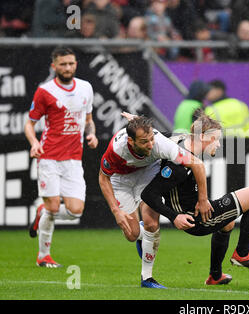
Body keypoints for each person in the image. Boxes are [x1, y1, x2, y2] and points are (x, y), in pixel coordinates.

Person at [140, 111, 249, 285]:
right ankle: (242, 253)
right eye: (215, 139)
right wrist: (174, 217)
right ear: (200, 137)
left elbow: (156, 134)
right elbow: (148, 194)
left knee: (228, 222)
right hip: (196, 220)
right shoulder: (180, 164)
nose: (218, 145)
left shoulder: (181, 139)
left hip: (197, 212)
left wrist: (137, 120)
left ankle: (215, 276)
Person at [98, 115, 213, 288]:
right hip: (121, 180)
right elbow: (103, 177)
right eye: (144, 142)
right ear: (131, 141)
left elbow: (197, 164)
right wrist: (116, 211)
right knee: (132, 234)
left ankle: (147, 278)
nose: (150, 145)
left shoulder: (160, 144)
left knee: (152, 224)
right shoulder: (116, 149)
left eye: (151, 139)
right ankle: (141, 234)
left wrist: (202, 200)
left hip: (147, 174)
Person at [25, 47, 99, 268]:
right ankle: (43, 256)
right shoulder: (44, 91)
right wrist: (34, 143)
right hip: (49, 157)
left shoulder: (86, 88)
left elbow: (88, 119)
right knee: (55, 207)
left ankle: (42, 211)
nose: (68, 68)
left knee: (76, 211)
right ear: (54, 66)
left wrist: (92, 134)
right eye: (63, 64)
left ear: (76, 64)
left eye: (71, 63)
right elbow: (30, 123)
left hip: (74, 159)